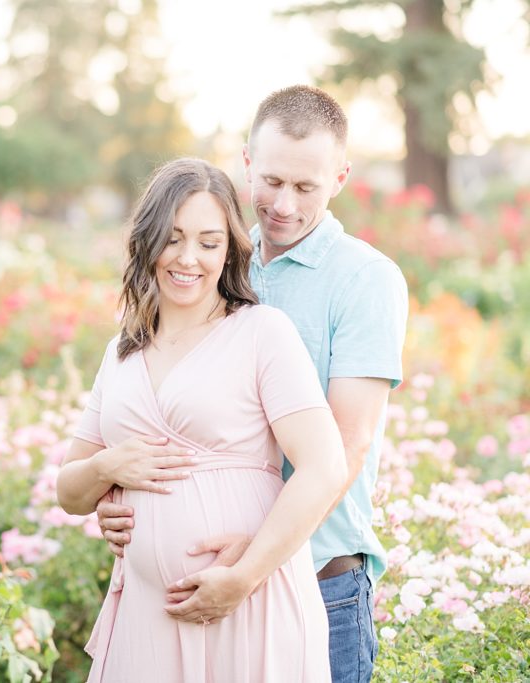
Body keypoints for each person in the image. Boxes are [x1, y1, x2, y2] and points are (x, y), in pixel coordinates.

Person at [96, 85, 409, 683]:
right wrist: (116, 492)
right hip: (197, 590)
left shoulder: (365, 279)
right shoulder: (215, 260)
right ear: (246, 161)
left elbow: (347, 445)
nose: (283, 204)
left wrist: (257, 561)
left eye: (305, 187)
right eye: (271, 181)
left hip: (319, 581)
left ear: (340, 177)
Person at [56, 157, 348, 682]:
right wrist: (109, 466)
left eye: (209, 243)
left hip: (250, 603)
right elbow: (70, 491)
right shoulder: (121, 353)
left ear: (229, 249)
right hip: (147, 613)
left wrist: (244, 576)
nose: (188, 258)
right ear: (147, 241)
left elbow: (324, 467)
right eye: (172, 238)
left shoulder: (263, 333)